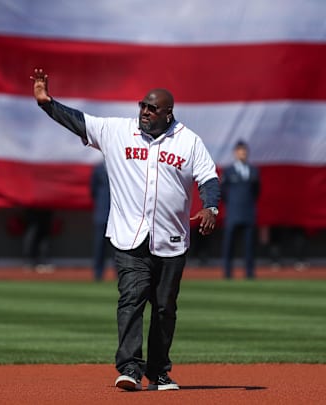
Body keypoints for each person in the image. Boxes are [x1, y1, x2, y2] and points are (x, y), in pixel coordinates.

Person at [31, 68, 220, 391]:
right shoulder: (117, 131)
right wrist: (47, 103)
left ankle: (159, 372)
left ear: (168, 113)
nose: (144, 112)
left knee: (164, 308)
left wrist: (210, 206)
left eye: (152, 108)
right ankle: (130, 368)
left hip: (171, 240)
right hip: (129, 237)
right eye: (142, 106)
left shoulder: (189, 141)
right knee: (131, 299)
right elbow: (79, 120)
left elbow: (209, 177)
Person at [221, 140, 260, 279]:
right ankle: (227, 272)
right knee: (229, 244)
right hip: (233, 213)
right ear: (235, 153)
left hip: (248, 212)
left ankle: (249, 272)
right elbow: (223, 192)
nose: (242, 154)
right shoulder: (229, 171)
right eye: (240, 151)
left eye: (244, 152)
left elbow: (256, 191)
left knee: (249, 245)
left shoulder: (254, 170)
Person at [91, 161, 111, 281]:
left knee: (117, 247)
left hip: (117, 214)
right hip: (101, 213)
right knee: (99, 245)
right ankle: (98, 273)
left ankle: (119, 274)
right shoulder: (98, 169)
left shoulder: (119, 166)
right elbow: (93, 190)